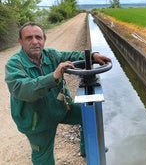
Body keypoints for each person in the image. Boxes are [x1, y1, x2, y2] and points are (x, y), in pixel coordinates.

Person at [5, 21, 111, 164]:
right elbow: (24, 90)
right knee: (43, 156)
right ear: (20, 41)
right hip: (36, 120)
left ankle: (87, 148)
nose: (35, 41)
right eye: (29, 38)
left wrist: (93, 55)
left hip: (59, 108)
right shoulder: (14, 64)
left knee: (87, 115)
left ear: (44, 39)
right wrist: (53, 76)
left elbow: (72, 55)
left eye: (38, 37)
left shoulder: (51, 55)